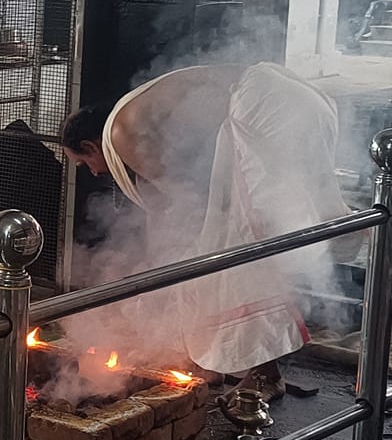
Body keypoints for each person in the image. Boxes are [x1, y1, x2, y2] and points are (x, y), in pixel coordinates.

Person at [59, 63, 351, 396]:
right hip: (290, 98)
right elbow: (171, 203)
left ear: (91, 146)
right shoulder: (137, 119)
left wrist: (174, 266)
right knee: (233, 251)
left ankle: (263, 374)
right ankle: (218, 361)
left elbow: (187, 200)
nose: (93, 173)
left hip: (266, 112)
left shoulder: (120, 135)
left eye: (83, 163)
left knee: (238, 255)